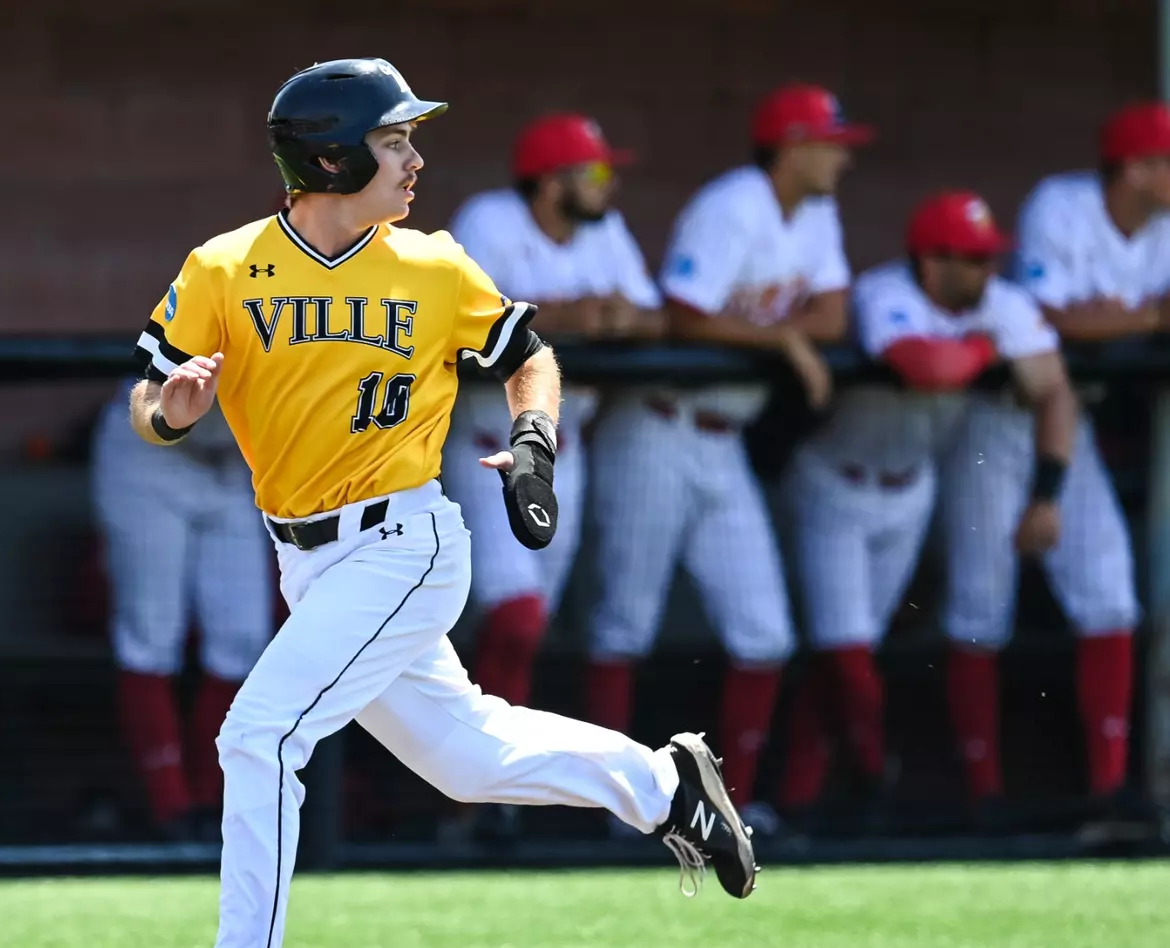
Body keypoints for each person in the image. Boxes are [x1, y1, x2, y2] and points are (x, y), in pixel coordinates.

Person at [109, 58, 757, 948]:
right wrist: (171, 414)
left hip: (403, 542)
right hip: (310, 562)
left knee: (261, 734)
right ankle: (667, 783)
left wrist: (535, 440)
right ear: (330, 156)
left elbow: (528, 354)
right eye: (393, 138)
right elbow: (146, 401)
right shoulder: (223, 268)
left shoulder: (435, 264)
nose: (415, 156)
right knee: (471, 759)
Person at [584, 83, 868, 827]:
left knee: (765, 633)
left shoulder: (816, 211)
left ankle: (724, 806)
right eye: (830, 143)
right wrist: (780, 335)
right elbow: (685, 313)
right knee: (623, 626)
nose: (841, 156)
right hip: (656, 426)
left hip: (722, 439)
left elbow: (835, 314)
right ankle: (608, 808)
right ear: (793, 145)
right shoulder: (733, 204)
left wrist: (789, 332)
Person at [780, 193, 1072, 832]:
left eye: (990, 258)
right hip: (835, 485)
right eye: (971, 260)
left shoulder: (997, 302)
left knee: (850, 656)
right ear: (931, 262)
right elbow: (923, 366)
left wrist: (1048, 488)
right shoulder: (886, 292)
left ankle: (801, 801)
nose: (986, 273)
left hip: (910, 489)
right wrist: (990, 353)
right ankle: (871, 774)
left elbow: (1051, 381)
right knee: (846, 656)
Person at [440, 112, 663, 843]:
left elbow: (652, 318)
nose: (609, 183)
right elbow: (470, 325)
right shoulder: (492, 220)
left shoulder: (606, 232)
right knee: (515, 617)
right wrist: (575, 315)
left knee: (530, 628)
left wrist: (614, 316)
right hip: (487, 442)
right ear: (549, 179)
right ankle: (479, 795)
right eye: (594, 171)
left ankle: (497, 798)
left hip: (565, 450)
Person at [941, 103, 1159, 827]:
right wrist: (1153, 317)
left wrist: (1112, 319)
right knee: (980, 611)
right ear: (1137, 167)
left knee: (1112, 600)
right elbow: (1049, 316)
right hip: (994, 418)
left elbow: (1083, 326)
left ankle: (1108, 791)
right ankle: (982, 797)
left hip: (1073, 418)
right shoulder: (1062, 208)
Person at [90, 378, 272, 841]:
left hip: (230, 463)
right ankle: (169, 807)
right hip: (148, 448)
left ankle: (212, 804)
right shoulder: (216, 305)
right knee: (151, 633)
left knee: (245, 637)